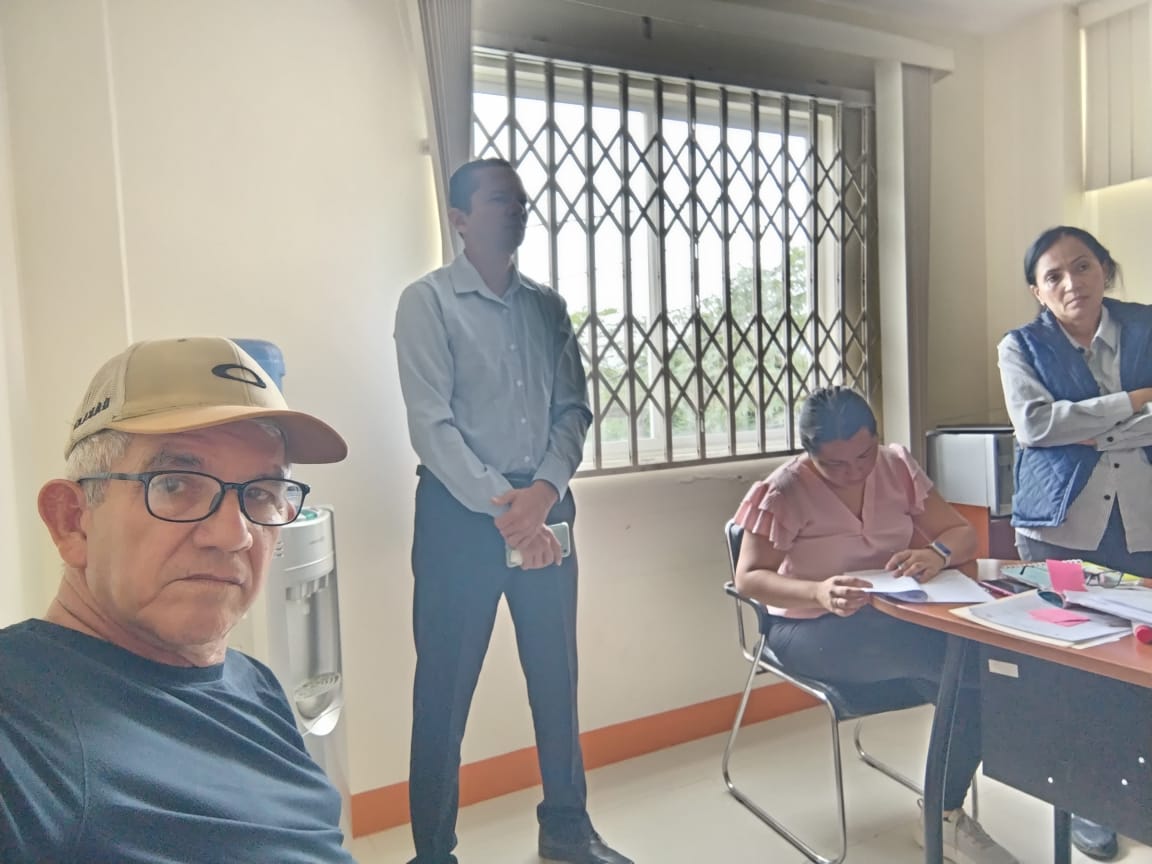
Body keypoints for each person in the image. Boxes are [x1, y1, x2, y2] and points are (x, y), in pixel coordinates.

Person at [0, 337, 352, 863]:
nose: (234, 535)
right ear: (72, 521)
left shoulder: (254, 683)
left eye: (261, 492)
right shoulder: (22, 731)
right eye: (175, 484)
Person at [393, 158, 630, 864]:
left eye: (523, 200)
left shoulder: (546, 307)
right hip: (461, 518)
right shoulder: (427, 302)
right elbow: (431, 426)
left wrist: (544, 494)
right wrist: (508, 508)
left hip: (546, 506)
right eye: (501, 200)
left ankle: (567, 831)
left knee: (557, 679)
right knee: (444, 692)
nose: (518, 210)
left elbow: (573, 410)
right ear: (460, 219)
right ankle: (433, 853)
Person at [732, 386, 1020, 864]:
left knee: (968, 671)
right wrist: (817, 591)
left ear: (876, 439)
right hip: (810, 628)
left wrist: (936, 553)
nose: (854, 472)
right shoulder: (784, 491)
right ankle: (949, 811)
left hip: (894, 615)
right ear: (809, 454)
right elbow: (749, 578)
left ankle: (942, 813)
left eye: (864, 456)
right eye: (835, 465)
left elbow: (960, 534)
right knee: (963, 671)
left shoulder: (896, 466)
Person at [998, 225, 1152, 861]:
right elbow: (1035, 426)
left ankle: (1139, 786)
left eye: (1082, 267)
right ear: (1037, 291)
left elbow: (1059, 426)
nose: (1071, 283)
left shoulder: (1146, 326)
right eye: (1053, 276)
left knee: (1141, 665)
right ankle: (1088, 801)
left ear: (1105, 270)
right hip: (1057, 532)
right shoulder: (1020, 346)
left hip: (1142, 525)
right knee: (1073, 668)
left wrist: (1084, 427)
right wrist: (1135, 403)